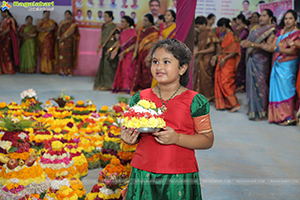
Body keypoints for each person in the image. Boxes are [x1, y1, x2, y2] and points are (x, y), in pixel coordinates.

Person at [121, 39, 214, 200]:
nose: (159, 67)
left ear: (182, 68)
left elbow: (207, 140)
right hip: (144, 172)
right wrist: (129, 139)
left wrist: (176, 138)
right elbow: (136, 133)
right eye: (155, 61)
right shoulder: (140, 97)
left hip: (178, 176)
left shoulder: (195, 101)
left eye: (166, 62)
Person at [263, 10, 300, 125]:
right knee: (276, 87)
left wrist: (277, 49)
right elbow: (274, 45)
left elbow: (293, 50)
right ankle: (277, 116)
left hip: (288, 64)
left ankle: (289, 116)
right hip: (276, 62)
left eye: (290, 18)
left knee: (287, 88)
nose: (287, 21)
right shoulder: (280, 32)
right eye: (285, 18)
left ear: (295, 20)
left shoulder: (297, 33)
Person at [240, 9, 276, 121]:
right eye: (261, 15)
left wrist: (251, 44)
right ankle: (253, 109)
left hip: (262, 61)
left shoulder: (271, 30)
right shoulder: (256, 29)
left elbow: (268, 47)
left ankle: (261, 112)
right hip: (251, 59)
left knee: (261, 85)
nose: (261, 18)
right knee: (251, 84)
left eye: (264, 16)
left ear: (270, 18)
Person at [211, 18, 241, 112]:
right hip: (224, 61)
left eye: (220, 27)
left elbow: (235, 51)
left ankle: (234, 104)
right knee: (222, 81)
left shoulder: (231, 35)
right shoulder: (227, 35)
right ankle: (227, 104)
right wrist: (217, 56)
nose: (219, 30)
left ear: (224, 26)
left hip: (228, 62)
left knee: (226, 82)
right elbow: (224, 50)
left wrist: (224, 58)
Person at [130, 14, 159, 95]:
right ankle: (139, 89)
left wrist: (150, 55)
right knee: (139, 72)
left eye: (146, 20)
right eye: (144, 20)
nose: (144, 22)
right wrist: (135, 53)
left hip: (148, 54)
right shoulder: (141, 30)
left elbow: (154, 43)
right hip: (140, 54)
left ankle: (148, 90)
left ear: (150, 22)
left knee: (148, 73)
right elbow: (137, 42)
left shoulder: (154, 31)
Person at [193, 16, 219, 102]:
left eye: (199, 26)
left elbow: (212, 49)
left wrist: (199, 52)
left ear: (204, 24)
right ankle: (200, 96)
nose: (198, 28)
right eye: (196, 26)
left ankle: (209, 96)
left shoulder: (209, 33)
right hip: (201, 59)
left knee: (207, 79)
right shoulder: (200, 34)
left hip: (207, 60)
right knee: (199, 78)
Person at [94, 11, 120, 91]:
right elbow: (101, 37)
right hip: (105, 49)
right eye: (104, 16)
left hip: (111, 50)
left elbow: (118, 40)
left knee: (109, 67)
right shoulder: (104, 26)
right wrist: (99, 46)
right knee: (103, 67)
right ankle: (101, 84)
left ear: (110, 17)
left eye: (106, 16)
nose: (104, 18)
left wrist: (112, 49)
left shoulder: (114, 27)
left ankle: (109, 85)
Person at [111, 16, 137, 93]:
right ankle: (122, 87)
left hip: (129, 53)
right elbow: (119, 42)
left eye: (123, 22)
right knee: (121, 70)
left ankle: (128, 88)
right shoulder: (122, 31)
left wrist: (125, 52)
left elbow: (134, 44)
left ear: (128, 23)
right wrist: (115, 50)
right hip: (122, 53)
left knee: (128, 71)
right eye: (121, 21)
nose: (121, 23)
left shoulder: (133, 31)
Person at [151, 10, 176, 87]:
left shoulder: (175, 27)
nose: (166, 17)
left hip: (170, 51)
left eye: (168, 15)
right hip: (161, 49)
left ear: (173, 18)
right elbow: (160, 37)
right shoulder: (162, 25)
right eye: (166, 15)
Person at [56, 10, 80, 76]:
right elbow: (58, 31)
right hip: (61, 41)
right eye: (66, 14)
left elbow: (71, 32)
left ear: (71, 16)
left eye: (68, 14)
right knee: (61, 56)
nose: (67, 15)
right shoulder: (61, 23)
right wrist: (59, 38)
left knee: (68, 56)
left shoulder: (73, 24)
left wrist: (63, 37)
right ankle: (60, 71)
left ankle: (68, 71)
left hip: (68, 42)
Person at [0, 9, 19, 75]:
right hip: (2, 38)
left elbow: (8, 29)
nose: (1, 14)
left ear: (6, 12)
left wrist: (1, 35)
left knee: (7, 53)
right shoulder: (3, 20)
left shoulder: (10, 19)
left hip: (7, 38)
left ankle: (10, 70)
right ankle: (5, 69)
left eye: (2, 13)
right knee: (3, 53)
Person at [234, 14, 249, 93]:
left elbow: (239, 38)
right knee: (236, 67)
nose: (236, 21)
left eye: (237, 19)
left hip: (241, 50)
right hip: (235, 50)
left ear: (240, 19)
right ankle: (236, 85)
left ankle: (241, 85)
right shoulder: (236, 27)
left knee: (241, 67)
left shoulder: (245, 29)